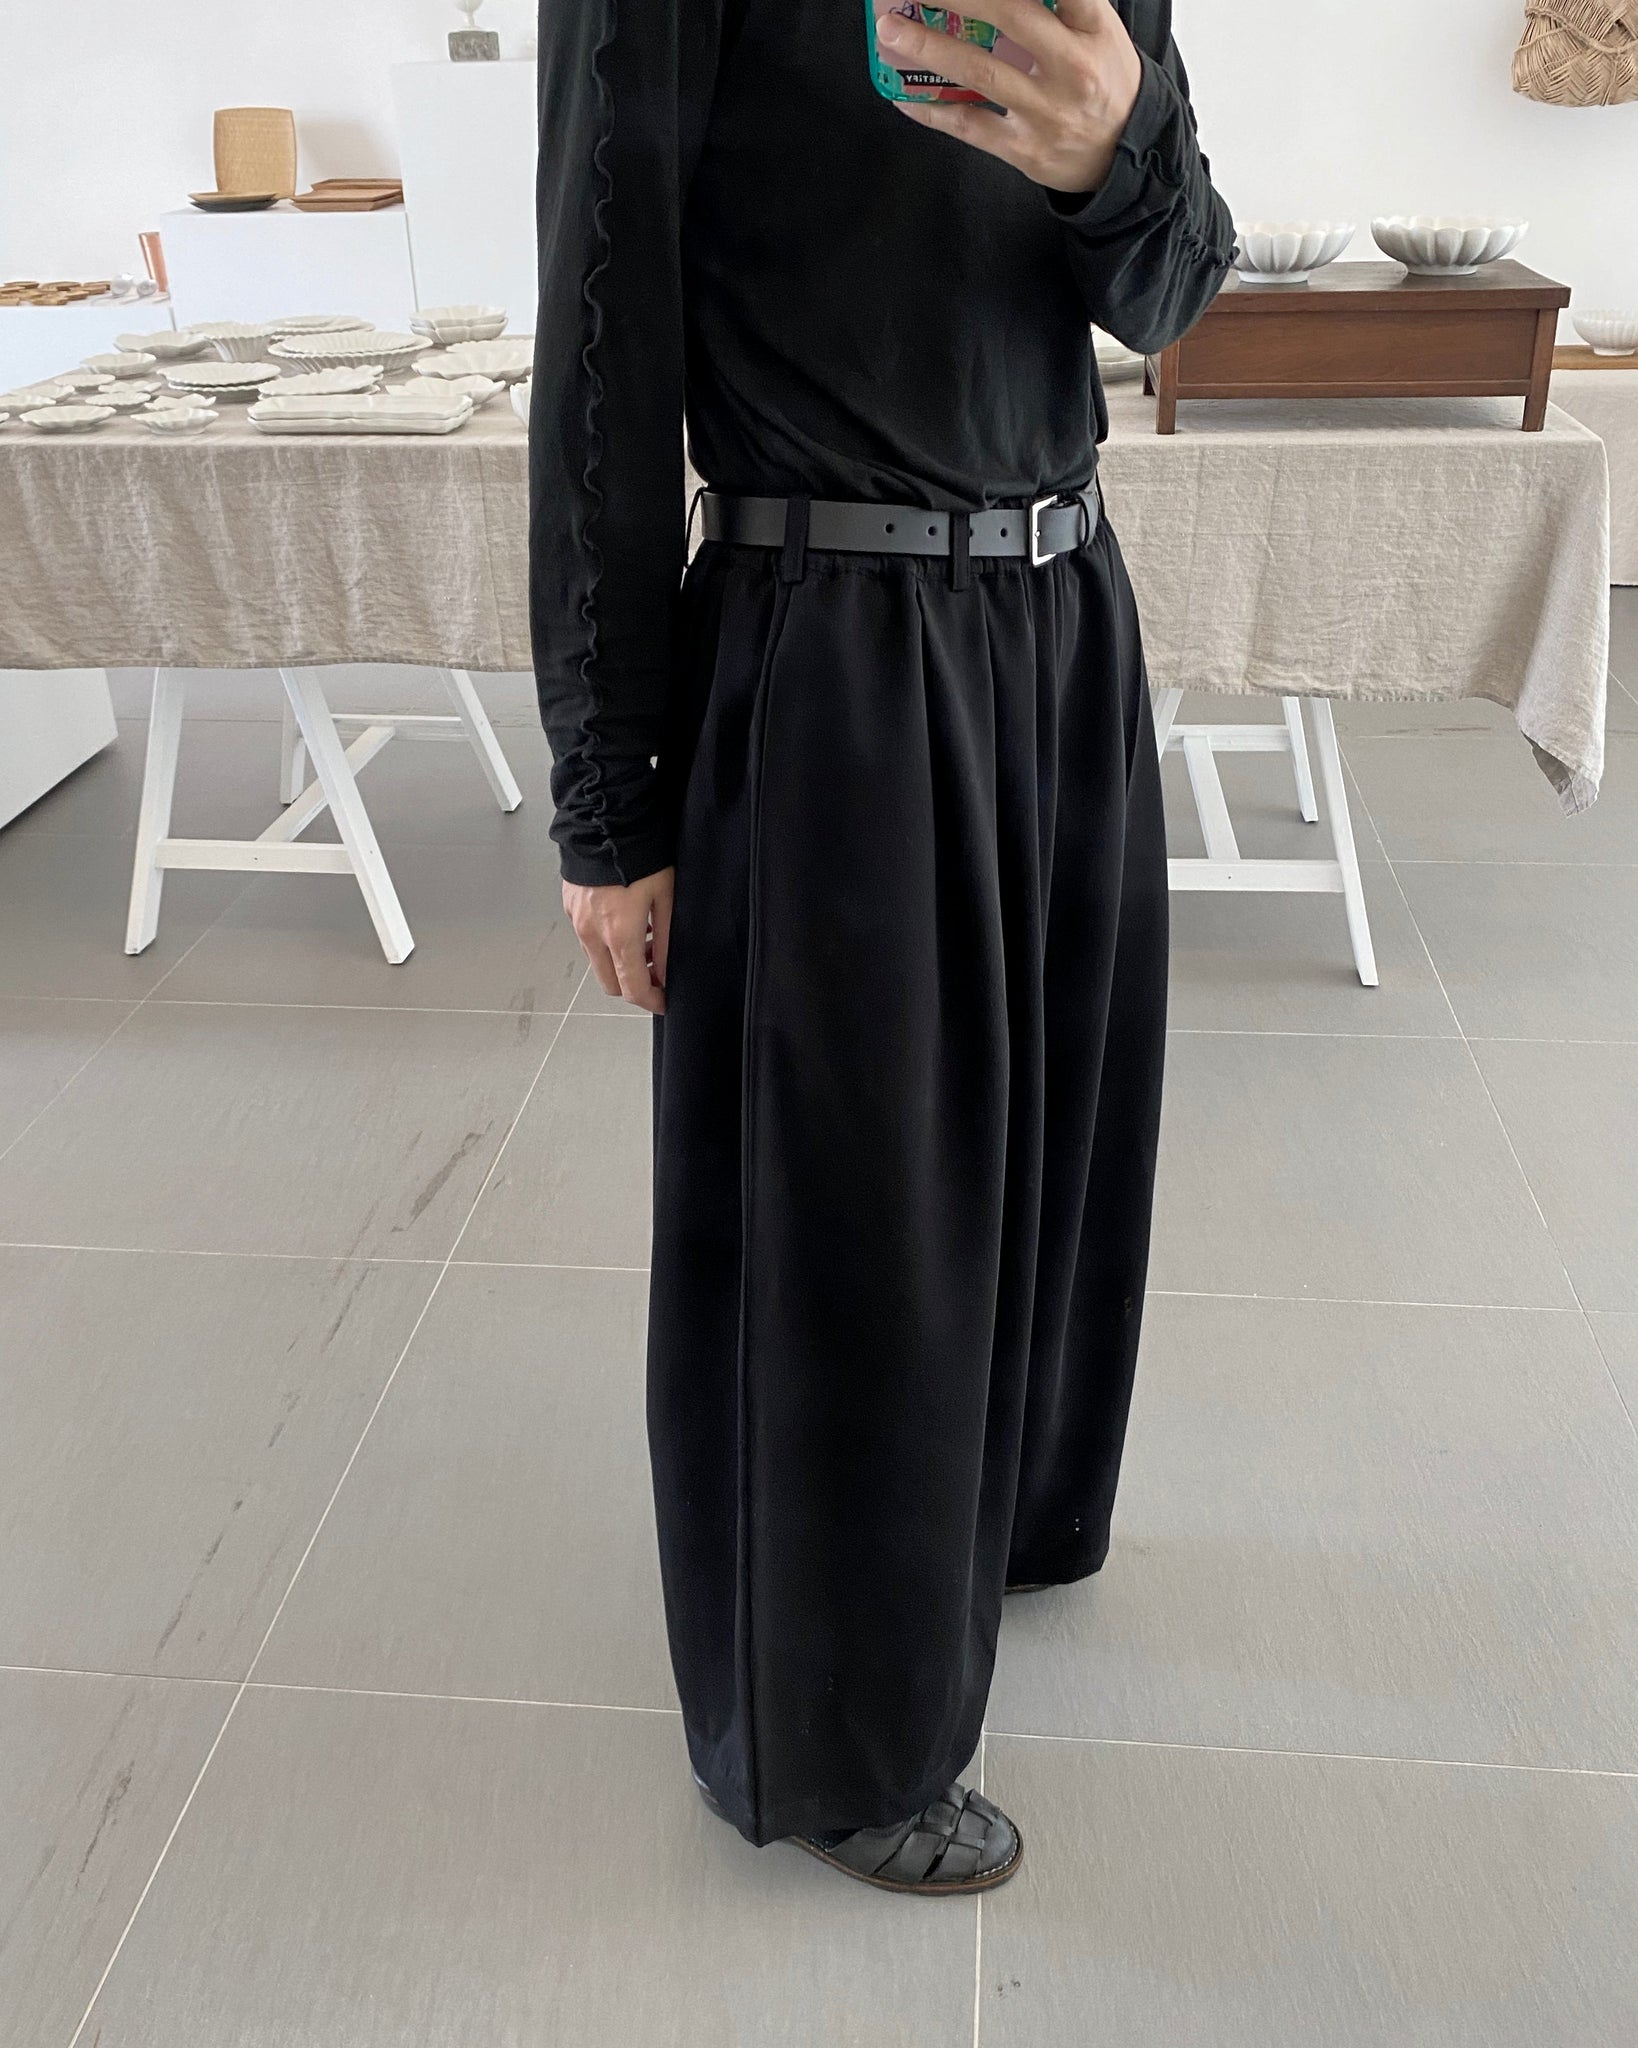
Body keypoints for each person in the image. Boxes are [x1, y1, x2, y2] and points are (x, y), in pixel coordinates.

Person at [530, 0, 1232, 1895]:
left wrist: (1112, 153)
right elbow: (599, 354)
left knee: (1062, 1127)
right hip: (825, 633)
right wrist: (608, 801)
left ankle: (1006, 1509)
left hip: (1063, 616)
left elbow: (1172, 293)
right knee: (850, 1211)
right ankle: (832, 1737)